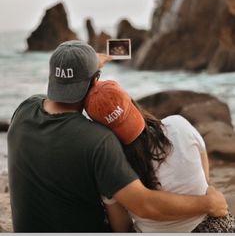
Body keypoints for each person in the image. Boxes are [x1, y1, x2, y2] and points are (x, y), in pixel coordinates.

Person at [7, 40, 228, 232]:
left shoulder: (24, 110)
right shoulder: (97, 140)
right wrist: (208, 204)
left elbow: (66, 85)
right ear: (95, 82)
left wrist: (90, 66)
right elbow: (144, 205)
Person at [85, 80, 235, 233]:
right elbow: (205, 173)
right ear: (132, 103)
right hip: (216, 228)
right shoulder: (178, 125)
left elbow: (122, 227)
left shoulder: (110, 167)